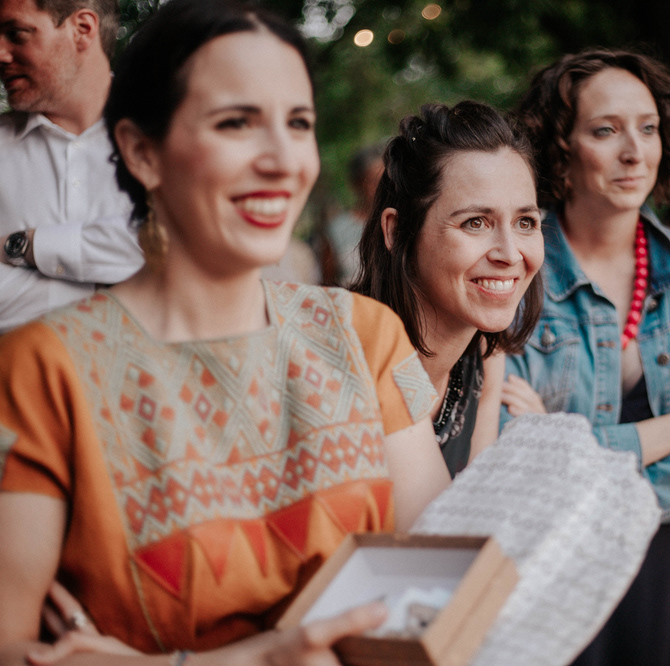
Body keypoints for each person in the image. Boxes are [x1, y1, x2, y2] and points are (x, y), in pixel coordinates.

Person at [0, 0, 450, 662]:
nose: (282, 159)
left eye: (298, 123)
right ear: (142, 152)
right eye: (236, 122)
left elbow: (442, 594)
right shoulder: (41, 369)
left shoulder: (366, 335)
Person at [502, 48, 670, 664]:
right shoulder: (516, 269)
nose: (634, 152)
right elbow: (510, 456)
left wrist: (573, 458)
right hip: (556, 570)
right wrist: (667, 431)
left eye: (648, 128)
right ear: (559, 148)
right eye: (605, 131)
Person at [353, 101, 544, 478]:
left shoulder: (486, 357)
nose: (510, 254)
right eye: (475, 222)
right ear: (397, 231)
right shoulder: (347, 354)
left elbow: (470, 507)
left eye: (525, 222)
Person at [0, 0, 144, 332]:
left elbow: (185, 252)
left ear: (82, 29)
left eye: (16, 34)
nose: (1, 53)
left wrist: (26, 246)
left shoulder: (169, 138)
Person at [319, 144, 384, 286]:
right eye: (373, 181)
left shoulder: (399, 225)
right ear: (357, 184)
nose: (381, 188)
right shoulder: (337, 230)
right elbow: (327, 282)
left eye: (385, 181)